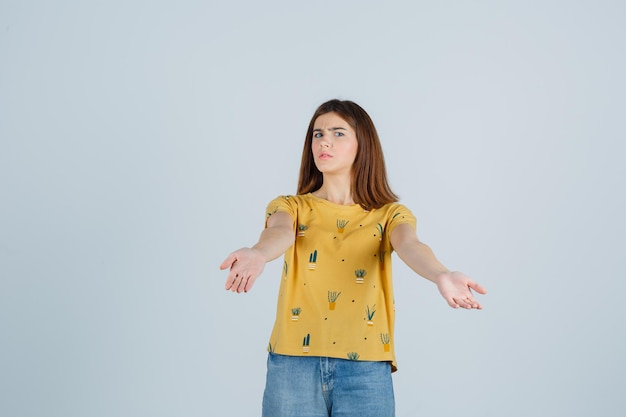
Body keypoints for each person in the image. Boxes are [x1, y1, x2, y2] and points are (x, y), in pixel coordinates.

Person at [220, 99, 486, 417]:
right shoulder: (291, 206)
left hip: (366, 367)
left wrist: (441, 274)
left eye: (337, 133)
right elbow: (280, 232)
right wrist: (257, 253)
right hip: (292, 363)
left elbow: (410, 245)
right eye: (317, 134)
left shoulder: (389, 214)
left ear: (363, 144)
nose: (324, 142)